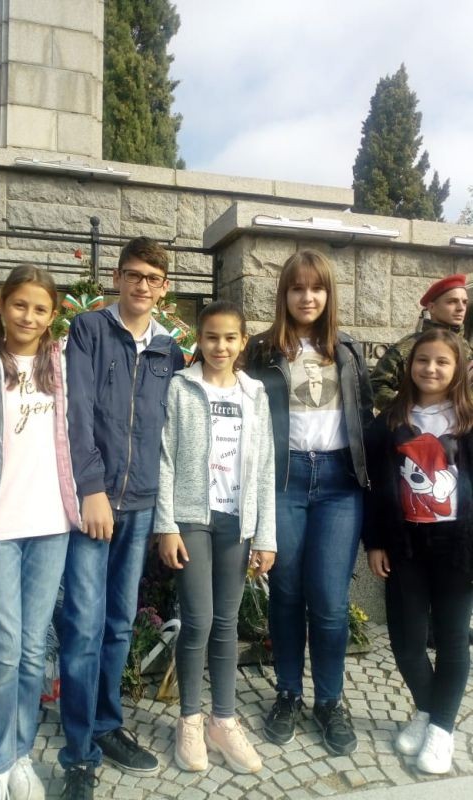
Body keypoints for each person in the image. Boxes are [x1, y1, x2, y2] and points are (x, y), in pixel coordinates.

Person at [58, 237, 185, 799]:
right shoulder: (90, 330)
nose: (142, 285)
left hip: (142, 502)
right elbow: (77, 412)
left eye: (153, 278)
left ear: (164, 287)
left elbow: (170, 433)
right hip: (96, 502)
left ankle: (106, 725)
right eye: (133, 274)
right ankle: (78, 752)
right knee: (84, 625)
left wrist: (166, 513)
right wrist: (91, 488)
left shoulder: (169, 350)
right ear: (116, 277)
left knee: (117, 624)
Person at [0, 265, 80, 800]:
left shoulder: (64, 366)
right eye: (19, 304)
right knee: (4, 652)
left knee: (33, 651)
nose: (28, 316)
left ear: (52, 316)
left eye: (40, 308)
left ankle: (20, 754)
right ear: (2, 305)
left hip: (51, 525)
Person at [245, 248, 373, 757]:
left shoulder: (347, 350)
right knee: (286, 592)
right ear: (284, 294)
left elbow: (366, 419)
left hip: (339, 483)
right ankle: (288, 693)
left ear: (328, 294)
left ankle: (330, 700)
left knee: (329, 599)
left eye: (316, 288)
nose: (307, 297)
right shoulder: (261, 350)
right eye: (297, 288)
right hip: (285, 480)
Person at [155, 300, 276, 774]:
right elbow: (165, 458)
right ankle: (189, 718)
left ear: (243, 341)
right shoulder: (181, 387)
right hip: (192, 519)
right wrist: (166, 525)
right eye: (211, 337)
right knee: (198, 621)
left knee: (226, 624)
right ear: (199, 340)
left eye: (229, 338)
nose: (220, 346)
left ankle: (222, 721)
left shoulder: (255, 393)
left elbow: (264, 465)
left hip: (236, 521)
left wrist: (265, 535)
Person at [364, 329, 473, 774]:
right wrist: (375, 541)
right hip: (405, 546)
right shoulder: (390, 421)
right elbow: (373, 486)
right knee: (407, 642)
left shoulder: (469, 420)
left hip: (459, 549)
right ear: (409, 366)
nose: (431, 369)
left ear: (458, 369)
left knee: (452, 639)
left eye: (442, 362)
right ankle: (427, 711)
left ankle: (441, 729)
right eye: (423, 360)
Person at [371, 274, 472, 411]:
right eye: (452, 302)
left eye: (464, 302)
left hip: (462, 422)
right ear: (432, 307)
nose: (461, 308)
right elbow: (376, 385)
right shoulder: (409, 346)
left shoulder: (466, 347)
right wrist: (408, 411)